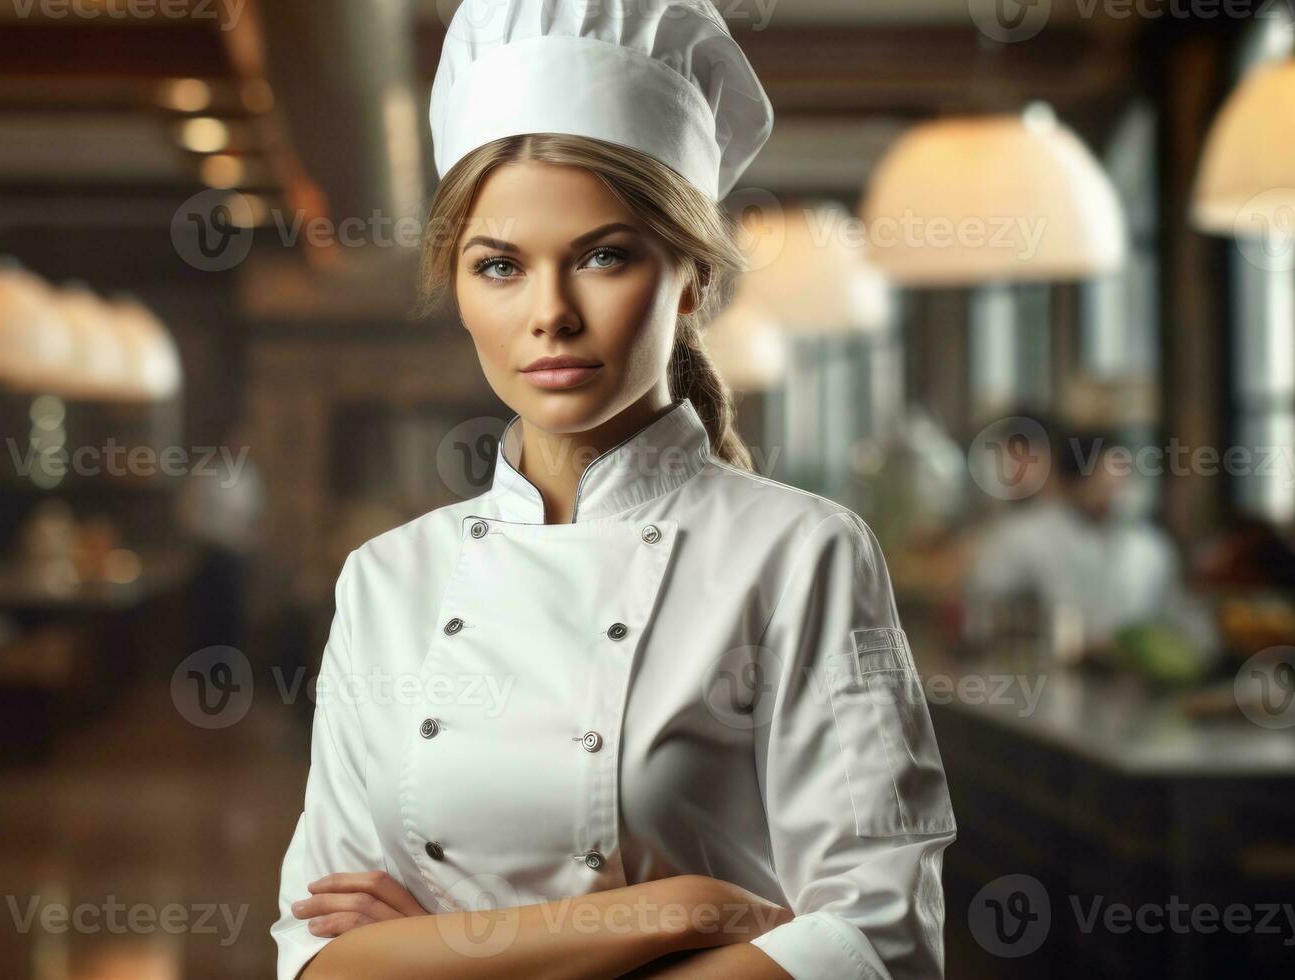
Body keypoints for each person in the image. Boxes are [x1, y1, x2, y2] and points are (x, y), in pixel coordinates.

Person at [271, 3, 956, 978]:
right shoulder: (386, 579)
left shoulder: (803, 553)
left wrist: (431, 952)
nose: (549, 313)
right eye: (500, 265)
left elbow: (873, 940)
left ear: (691, 279)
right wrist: (680, 909)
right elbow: (314, 959)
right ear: (458, 288)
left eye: (603, 255)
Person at [967, 418, 1214, 654]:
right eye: (1102, 485)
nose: (1114, 495)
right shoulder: (1022, 536)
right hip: (1044, 677)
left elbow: (1180, 616)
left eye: (1120, 482)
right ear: (1072, 483)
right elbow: (986, 608)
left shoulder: (1150, 546)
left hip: (1135, 680)